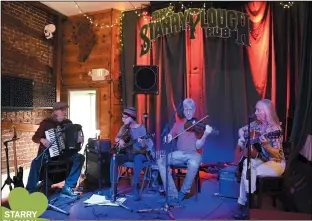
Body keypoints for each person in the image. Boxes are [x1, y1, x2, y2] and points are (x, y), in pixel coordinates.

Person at [233, 99, 286, 219]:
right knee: (247, 163)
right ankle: (245, 203)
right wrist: (242, 138)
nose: (255, 112)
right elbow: (241, 130)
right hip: (263, 159)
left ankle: (249, 205)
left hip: (276, 163)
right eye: (256, 109)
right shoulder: (257, 124)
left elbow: (277, 154)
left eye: (258, 110)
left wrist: (267, 145)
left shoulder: (275, 129)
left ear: (266, 112)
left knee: (251, 171)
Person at [157, 98, 213, 203]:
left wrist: (205, 134)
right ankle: (172, 192)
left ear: (194, 109)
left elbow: (198, 145)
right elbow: (171, 134)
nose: (188, 112)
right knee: (161, 161)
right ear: (183, 110)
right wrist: (168, 137)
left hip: (194, 154)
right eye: (186, 109)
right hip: (179, 153)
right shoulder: (178, 123)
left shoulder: (198, 125)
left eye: (190, 109)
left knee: (193, 163)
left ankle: (183, 192)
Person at [26, 102, 85, 198]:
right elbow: (35, 137)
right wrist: (42, 139)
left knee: (80, 158)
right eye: (62, 110)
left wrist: (79, 139)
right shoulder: (46, 123)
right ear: (55, 111)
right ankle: (30, 190)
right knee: (36, 162)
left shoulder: (68, 123)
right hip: (49, 153)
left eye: (65, 109)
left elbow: (74, 139)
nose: (64, 112)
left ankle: (68, 187)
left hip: (65, 153)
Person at [107, 107, 154, 201]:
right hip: (127, 153)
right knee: (114, 158)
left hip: (139, 153)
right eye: (122, 117)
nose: (122, 119)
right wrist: (119, 140)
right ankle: (113, 187)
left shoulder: (141, 128)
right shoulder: (124, 128)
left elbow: (146, 144)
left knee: (138, 159)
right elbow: (117, 139)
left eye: (125, 117)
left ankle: (135, 186)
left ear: (131, 118)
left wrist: (143, 142)